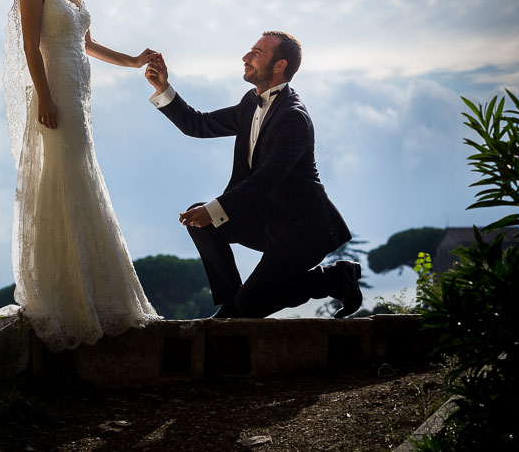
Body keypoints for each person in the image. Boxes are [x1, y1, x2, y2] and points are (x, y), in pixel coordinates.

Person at [3, 0, 160, 349]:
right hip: (57, 100)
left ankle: (93, 288)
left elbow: (85, 43)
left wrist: (132, 60)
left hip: (81, 99)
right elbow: (32, 48)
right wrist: (46, 98)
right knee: (65, 182)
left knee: (83, 179)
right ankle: (65, 293)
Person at [143, 31, 362, 319]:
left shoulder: (293, 117)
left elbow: (268, 178)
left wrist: (215, 209)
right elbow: (199, 125)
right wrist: (163, 88)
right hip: (265, 221)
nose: (246, 58)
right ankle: (231, 302)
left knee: (251, 306)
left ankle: (334, 278)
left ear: (280, 65)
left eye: (256, 53)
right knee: (200, 221)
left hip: (300, 232)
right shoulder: (250, 103)